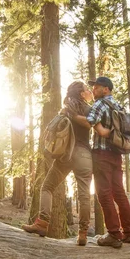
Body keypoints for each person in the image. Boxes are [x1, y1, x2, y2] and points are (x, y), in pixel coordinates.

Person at [22, 80, 107, 246]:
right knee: (84, 195)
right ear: (82, 94)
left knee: (47, 187)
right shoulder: (89, 110)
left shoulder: (66, 109)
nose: (90, 92)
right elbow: (95, 125)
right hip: (83, 155)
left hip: (65, 155)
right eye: (87, 90)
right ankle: (82, 233)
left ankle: (42, 223)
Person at [71, 76, 130, 248]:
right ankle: (129, 232)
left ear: (105, 89)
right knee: (119, 193)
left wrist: (73, 115)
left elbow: (90, 121)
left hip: (102, 155)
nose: (93, 89)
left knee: (104, 194)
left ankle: (114, 234)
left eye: (97, 87)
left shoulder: (100, 104)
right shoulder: (119, 105)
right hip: (117, 155)